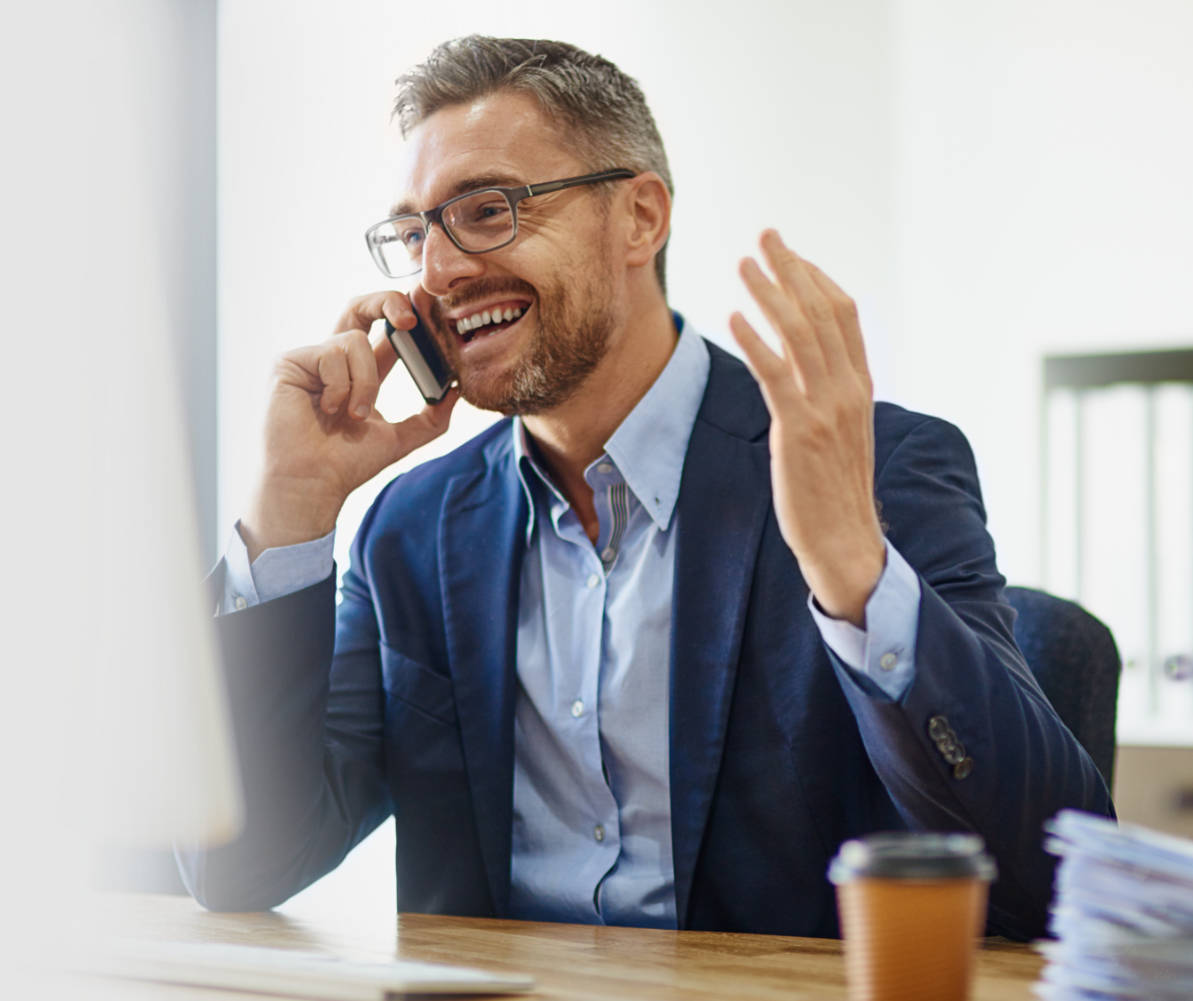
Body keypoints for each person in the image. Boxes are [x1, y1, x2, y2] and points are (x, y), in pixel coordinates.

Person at [178, 35, 1113, 939]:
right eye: (415, 231)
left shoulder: (873, 467)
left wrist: (854, 574)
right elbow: (241, 865)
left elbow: (1055, 880)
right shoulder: (410, 531)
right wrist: (289, 511)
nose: (440, 271)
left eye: (488, 209)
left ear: (641, 217)